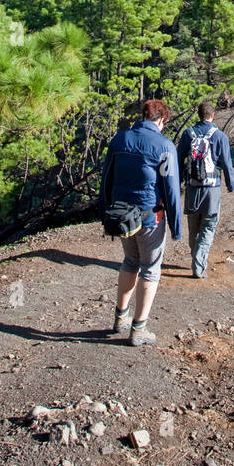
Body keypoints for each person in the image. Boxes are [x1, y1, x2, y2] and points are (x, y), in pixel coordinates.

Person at [99, 98, 181, 347]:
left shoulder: (119, 140)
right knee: (150, 268)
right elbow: (171, 189)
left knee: (130, 261)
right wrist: (176, 225)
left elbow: (106, 180)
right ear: (162, 119)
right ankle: (139, 328)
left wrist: (104, 213)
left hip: (122, 218)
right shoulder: (165, 145)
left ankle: (120, 317)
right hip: (150, 218)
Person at [177, 101, 234, 279]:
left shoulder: (188, 134)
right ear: (212, 115)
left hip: (192, 188)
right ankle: (199, 265)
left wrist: (177, 182)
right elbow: (226, 162)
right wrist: (230, 184)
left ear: (198, 115)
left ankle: (196, 257)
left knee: (193, 226)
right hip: (212, 189)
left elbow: (179, 160)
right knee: (208, 227)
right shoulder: (220, 136)